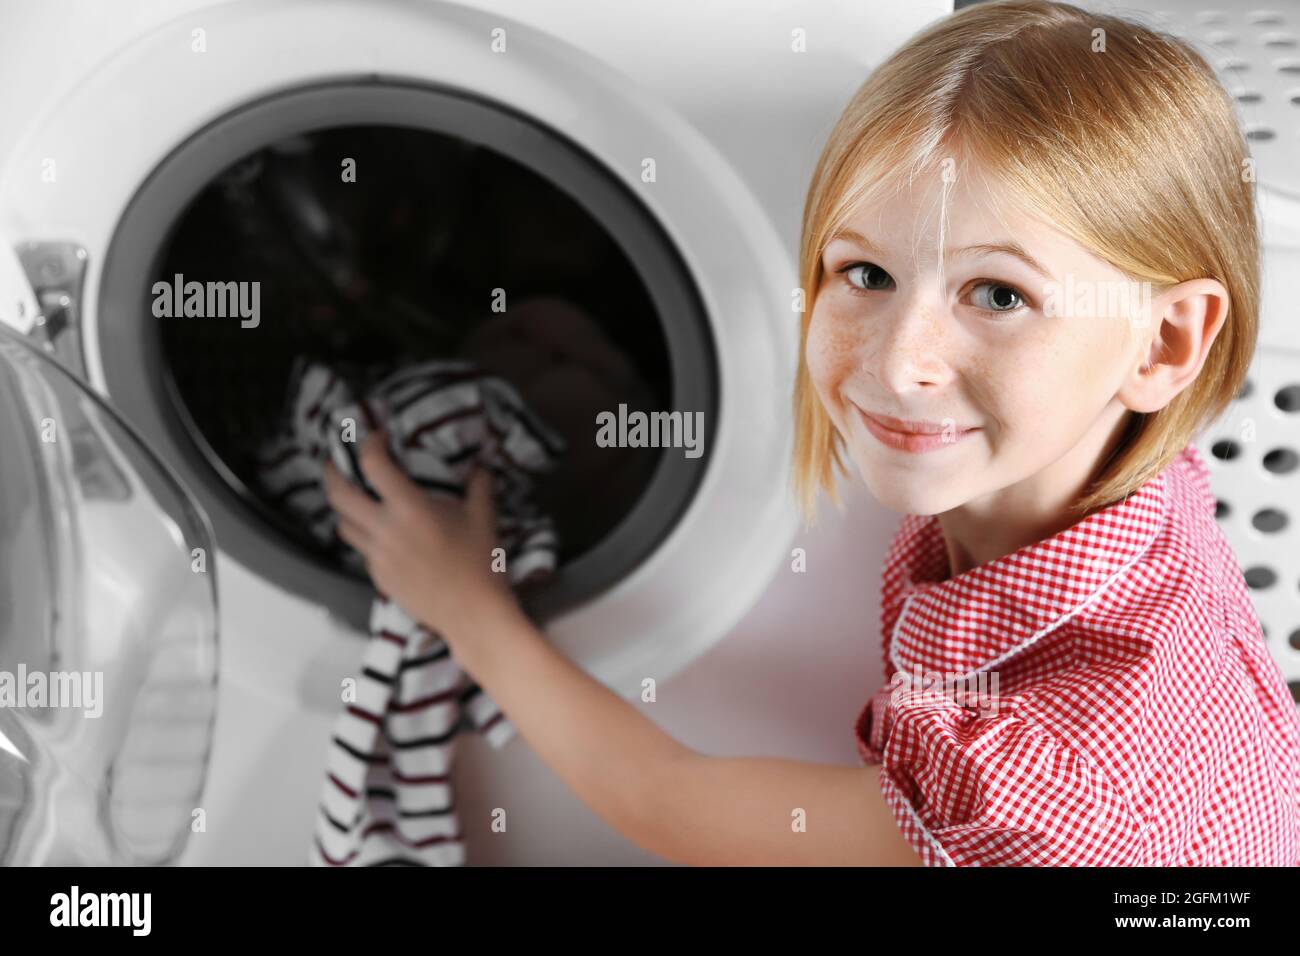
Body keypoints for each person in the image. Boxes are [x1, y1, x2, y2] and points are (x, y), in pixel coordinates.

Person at [321, 0, 1300, 866]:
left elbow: (674, 808)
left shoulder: (1039, 787)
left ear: (1166, 341)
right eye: (864, 274)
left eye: (998, 293)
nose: (893, 361)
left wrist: (465, 606)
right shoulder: (1139, 496)